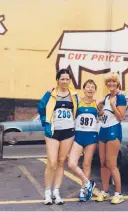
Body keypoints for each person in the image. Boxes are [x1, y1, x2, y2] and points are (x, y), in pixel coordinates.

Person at [37, 68, 79, 205]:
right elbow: (41, 107)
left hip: (68, 132)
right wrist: (45, 122)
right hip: (53, 132)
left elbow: (78, 110)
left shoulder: (74, 95)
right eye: (62, 79)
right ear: (58, 80)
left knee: (61, 162)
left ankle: (56, 192)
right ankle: (47, 193)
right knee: (52, 162)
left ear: (70, 80)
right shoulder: (50, 93)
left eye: (67, 79)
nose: (65, 81)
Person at [96, 72, 127, 204]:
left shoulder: (120, 97)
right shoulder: (108, 96)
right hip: (103, 129)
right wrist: (100, 109)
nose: (111, 84)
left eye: (113, 82)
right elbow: (104, 114)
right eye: (109, 82)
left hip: (114, 130)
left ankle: (118, 193)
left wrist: (113, 105)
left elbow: (120, 117)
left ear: (117, 82)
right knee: (103, 163)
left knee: (111, 164)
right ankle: (105, 190)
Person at [67, 79, 98, 202]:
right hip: (79, 136)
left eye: (92, 87)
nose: (90, 89)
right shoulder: (77, 102)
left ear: (95, 90)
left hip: (91, 137)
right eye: (88, 87)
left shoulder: (97, 104)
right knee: (71, 163)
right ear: (84, 89)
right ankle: (87, 183)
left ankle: (84, 190)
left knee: (86, 164)